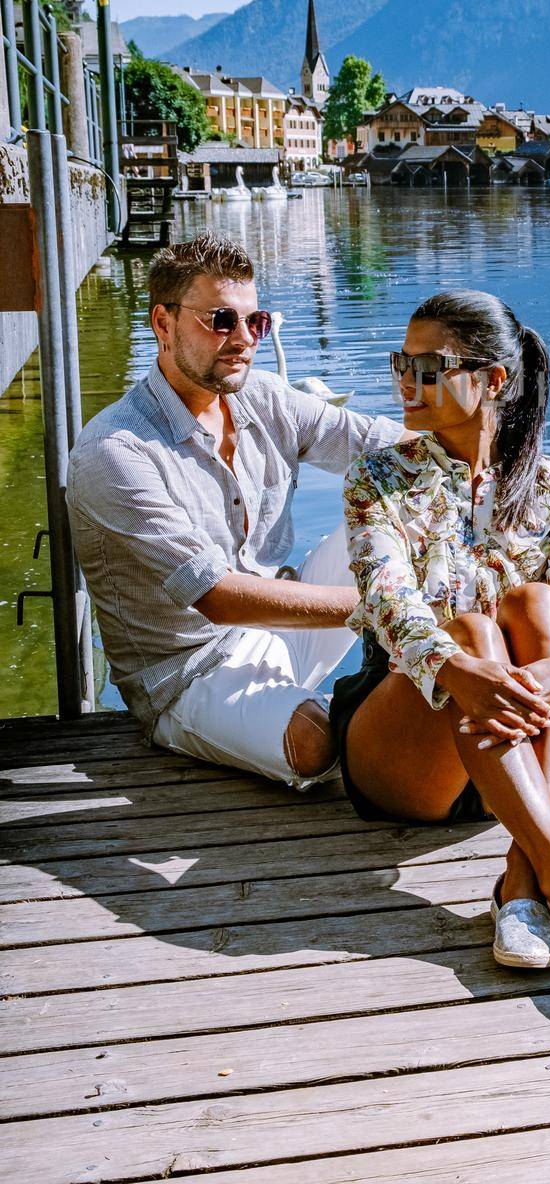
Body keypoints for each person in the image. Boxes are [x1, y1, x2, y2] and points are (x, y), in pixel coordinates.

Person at [335, 289, 550, 966]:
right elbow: (391, 605)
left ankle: (520, 884)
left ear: (493, 380)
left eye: (429, 366)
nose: (407, 380)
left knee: (544, 610)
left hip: (511, 771)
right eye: (401, 361)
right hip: (404, 759)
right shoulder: (376, 480)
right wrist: (466, 671)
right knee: (471, 636)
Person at [66, 232, 409, 787]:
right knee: (316, 744)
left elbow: (379, 445)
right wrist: (388, 606)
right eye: (222, 320)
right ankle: (449, 724)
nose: (244, 339)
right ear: (163, 323)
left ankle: (493, 693)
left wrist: (505, 465)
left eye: (257, 322)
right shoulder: (116, 452)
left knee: (410, 500)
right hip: (188, 672)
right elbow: (219, 598)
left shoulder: (264, 397)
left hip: (282, 631)